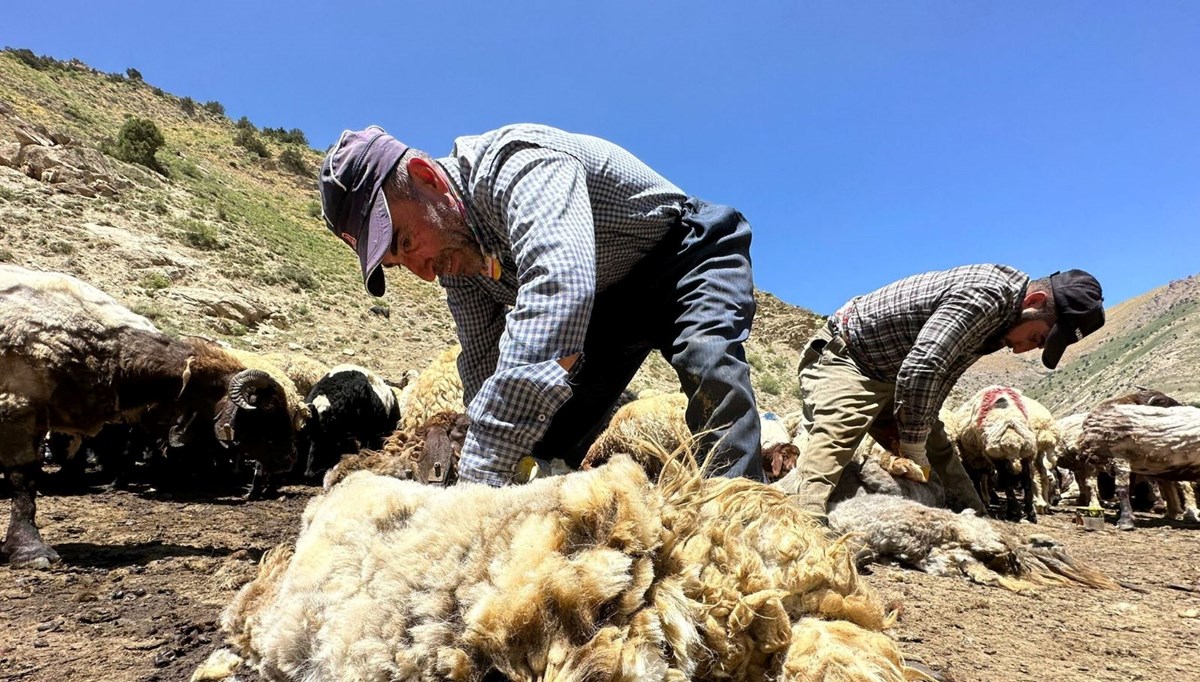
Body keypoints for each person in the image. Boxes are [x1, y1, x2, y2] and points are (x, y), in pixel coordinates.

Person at [318, 124, 763, 486]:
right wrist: (484, 449)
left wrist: (481, 472)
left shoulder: (519, 164)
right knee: (543, 439)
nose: (425, 273)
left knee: (710, 366)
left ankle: (745, 520)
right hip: (606, 306)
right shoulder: (457, 264)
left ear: (426, 176)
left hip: (684, 256)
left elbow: (558, 290)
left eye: (406, 241)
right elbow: (482, 361)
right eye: (400, 264)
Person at [781, 264, 1104, 520]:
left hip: (895, 374)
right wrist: (912, 446)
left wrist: (919, 438)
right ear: (1034, 302)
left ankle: (973, 518)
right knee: (840, 431)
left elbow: (943, 375)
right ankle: (803, 521)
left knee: (938, 445)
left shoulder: (1000, 324)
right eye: (1036, 338)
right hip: (849, 359)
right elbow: (924, 365)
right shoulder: (986, 295)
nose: (1023, 351)